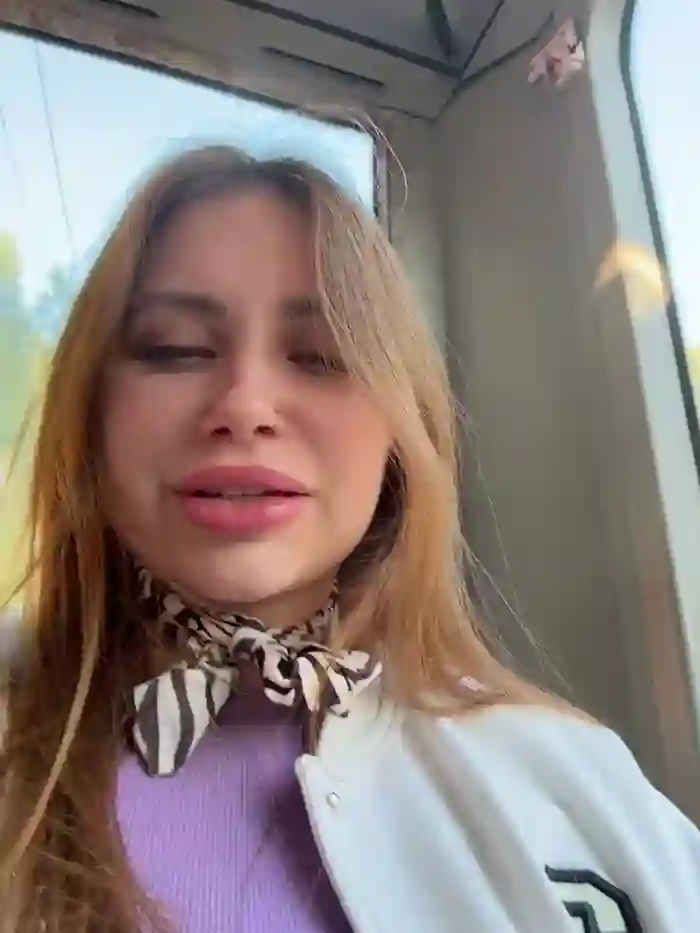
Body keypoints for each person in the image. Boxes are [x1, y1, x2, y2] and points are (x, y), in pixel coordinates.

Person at [0, 145, 698, 933]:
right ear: (92, 414)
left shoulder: (571, 780)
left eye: (321, 355)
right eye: (175, 349)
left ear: (399, 432)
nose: (246, 405)